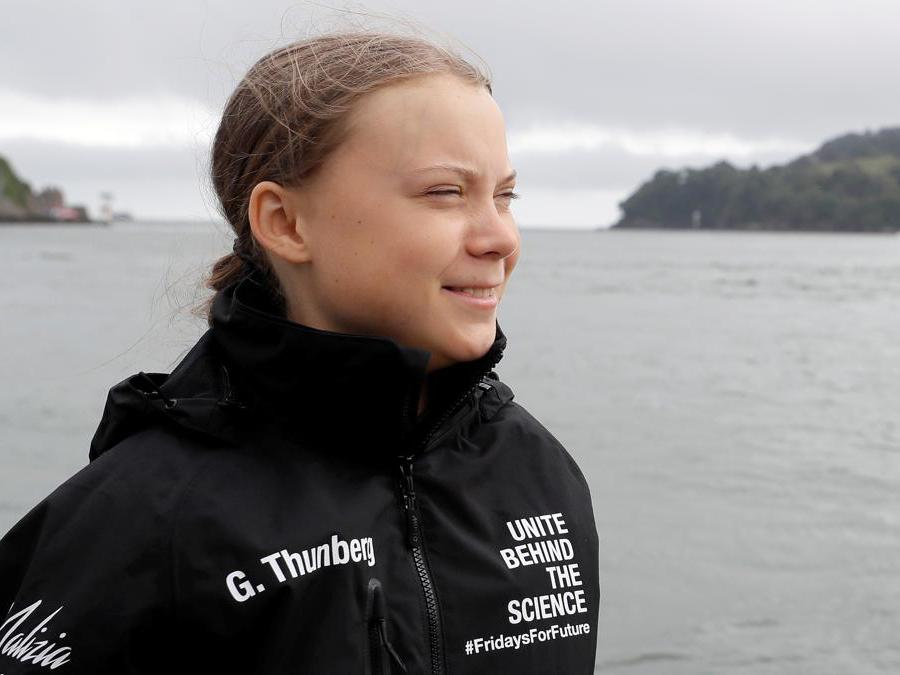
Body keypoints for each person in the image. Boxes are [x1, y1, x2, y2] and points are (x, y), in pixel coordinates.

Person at [0, 30, 599, 674]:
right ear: (285, 223)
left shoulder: (537, 474)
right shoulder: (149, 514)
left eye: (504, 195)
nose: (499, 238)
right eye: (445, 193)